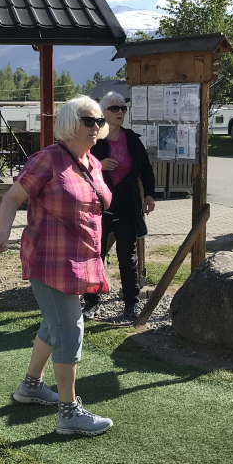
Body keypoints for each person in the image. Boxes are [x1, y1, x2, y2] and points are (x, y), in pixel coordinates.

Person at [0, 95, 114, 436]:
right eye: (90, 120)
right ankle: (68, 414)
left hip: (82, 258)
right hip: (49, 259)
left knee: (53, 324)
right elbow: (12, 197)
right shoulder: (48, 159)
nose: (98, 126)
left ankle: (30, 386)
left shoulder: (93, 163)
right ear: (72, 122)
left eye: (100, 121)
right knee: (69, 329)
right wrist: (3, 234)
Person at [82, 91, 155, 321]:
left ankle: (131, 303)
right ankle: (91, 302)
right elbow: (79, 167)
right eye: (115, 108)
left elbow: (146, 170)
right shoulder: (93, 139)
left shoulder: (132, 139)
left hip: (127, 203)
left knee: (127, 254)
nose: (120, 112)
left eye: (123, 108)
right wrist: (99, 165)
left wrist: (150, 195)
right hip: (98, 204)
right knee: (96, 252)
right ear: (103, 112)